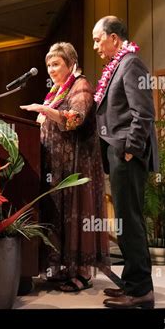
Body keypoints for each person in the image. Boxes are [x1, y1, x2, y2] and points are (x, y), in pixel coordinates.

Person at [20, 42, 109, 292]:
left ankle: (81, 274)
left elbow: (76, 118)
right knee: (59, 219)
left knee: (77, 218)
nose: (50, 69)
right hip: (56, 167)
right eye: (48, 64)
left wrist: (46, 111)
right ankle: (62, 269)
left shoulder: (80, 85)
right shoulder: (57, 91)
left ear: (71, 64)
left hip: (76, 167)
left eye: (56, 63)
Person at [92, 16, 158, 309]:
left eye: (98, 39)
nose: (95, 45)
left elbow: (144, 112)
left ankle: (141, 290)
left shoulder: (131, 64)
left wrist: (130, 149)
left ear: (114, 38)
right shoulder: (118, 65)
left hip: (126, 155)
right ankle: (132, 283)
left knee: (130, 221)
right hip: (118, 154)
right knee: (125, 222)